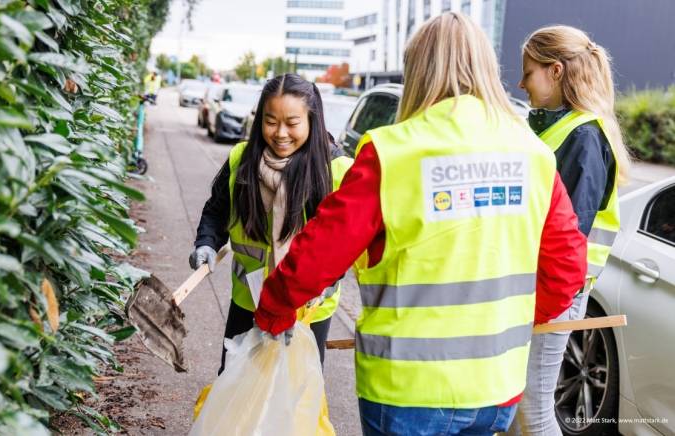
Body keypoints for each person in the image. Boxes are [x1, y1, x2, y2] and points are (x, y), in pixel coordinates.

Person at [252, 13, 588, 436]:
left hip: (406, 388)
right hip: (496, 387)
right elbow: (567, 268)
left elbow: (321, 251)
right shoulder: (533, 153)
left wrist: (274, 308)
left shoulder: (394, 153)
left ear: (418, 72)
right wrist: (513, 323)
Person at [506, 25, 631, 436]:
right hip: (541, 289)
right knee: (518, 406)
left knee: (535, 410)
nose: (521, 82)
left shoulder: (583, 136)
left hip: (557, 293)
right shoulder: (556, 128)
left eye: (528, 72)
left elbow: (567, 235)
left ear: (555, 70)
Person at [189, 73, 353, 373]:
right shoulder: (242, 159)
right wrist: (206, 243)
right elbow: (217, 211)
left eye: (292, 123)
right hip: (247, 303)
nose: (280, 133)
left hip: (307, 313)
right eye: (270, 121)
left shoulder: (336, 171)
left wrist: (302, 300)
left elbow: (344, 247)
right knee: (236, 391)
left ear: (312, 121)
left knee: (293, 401)